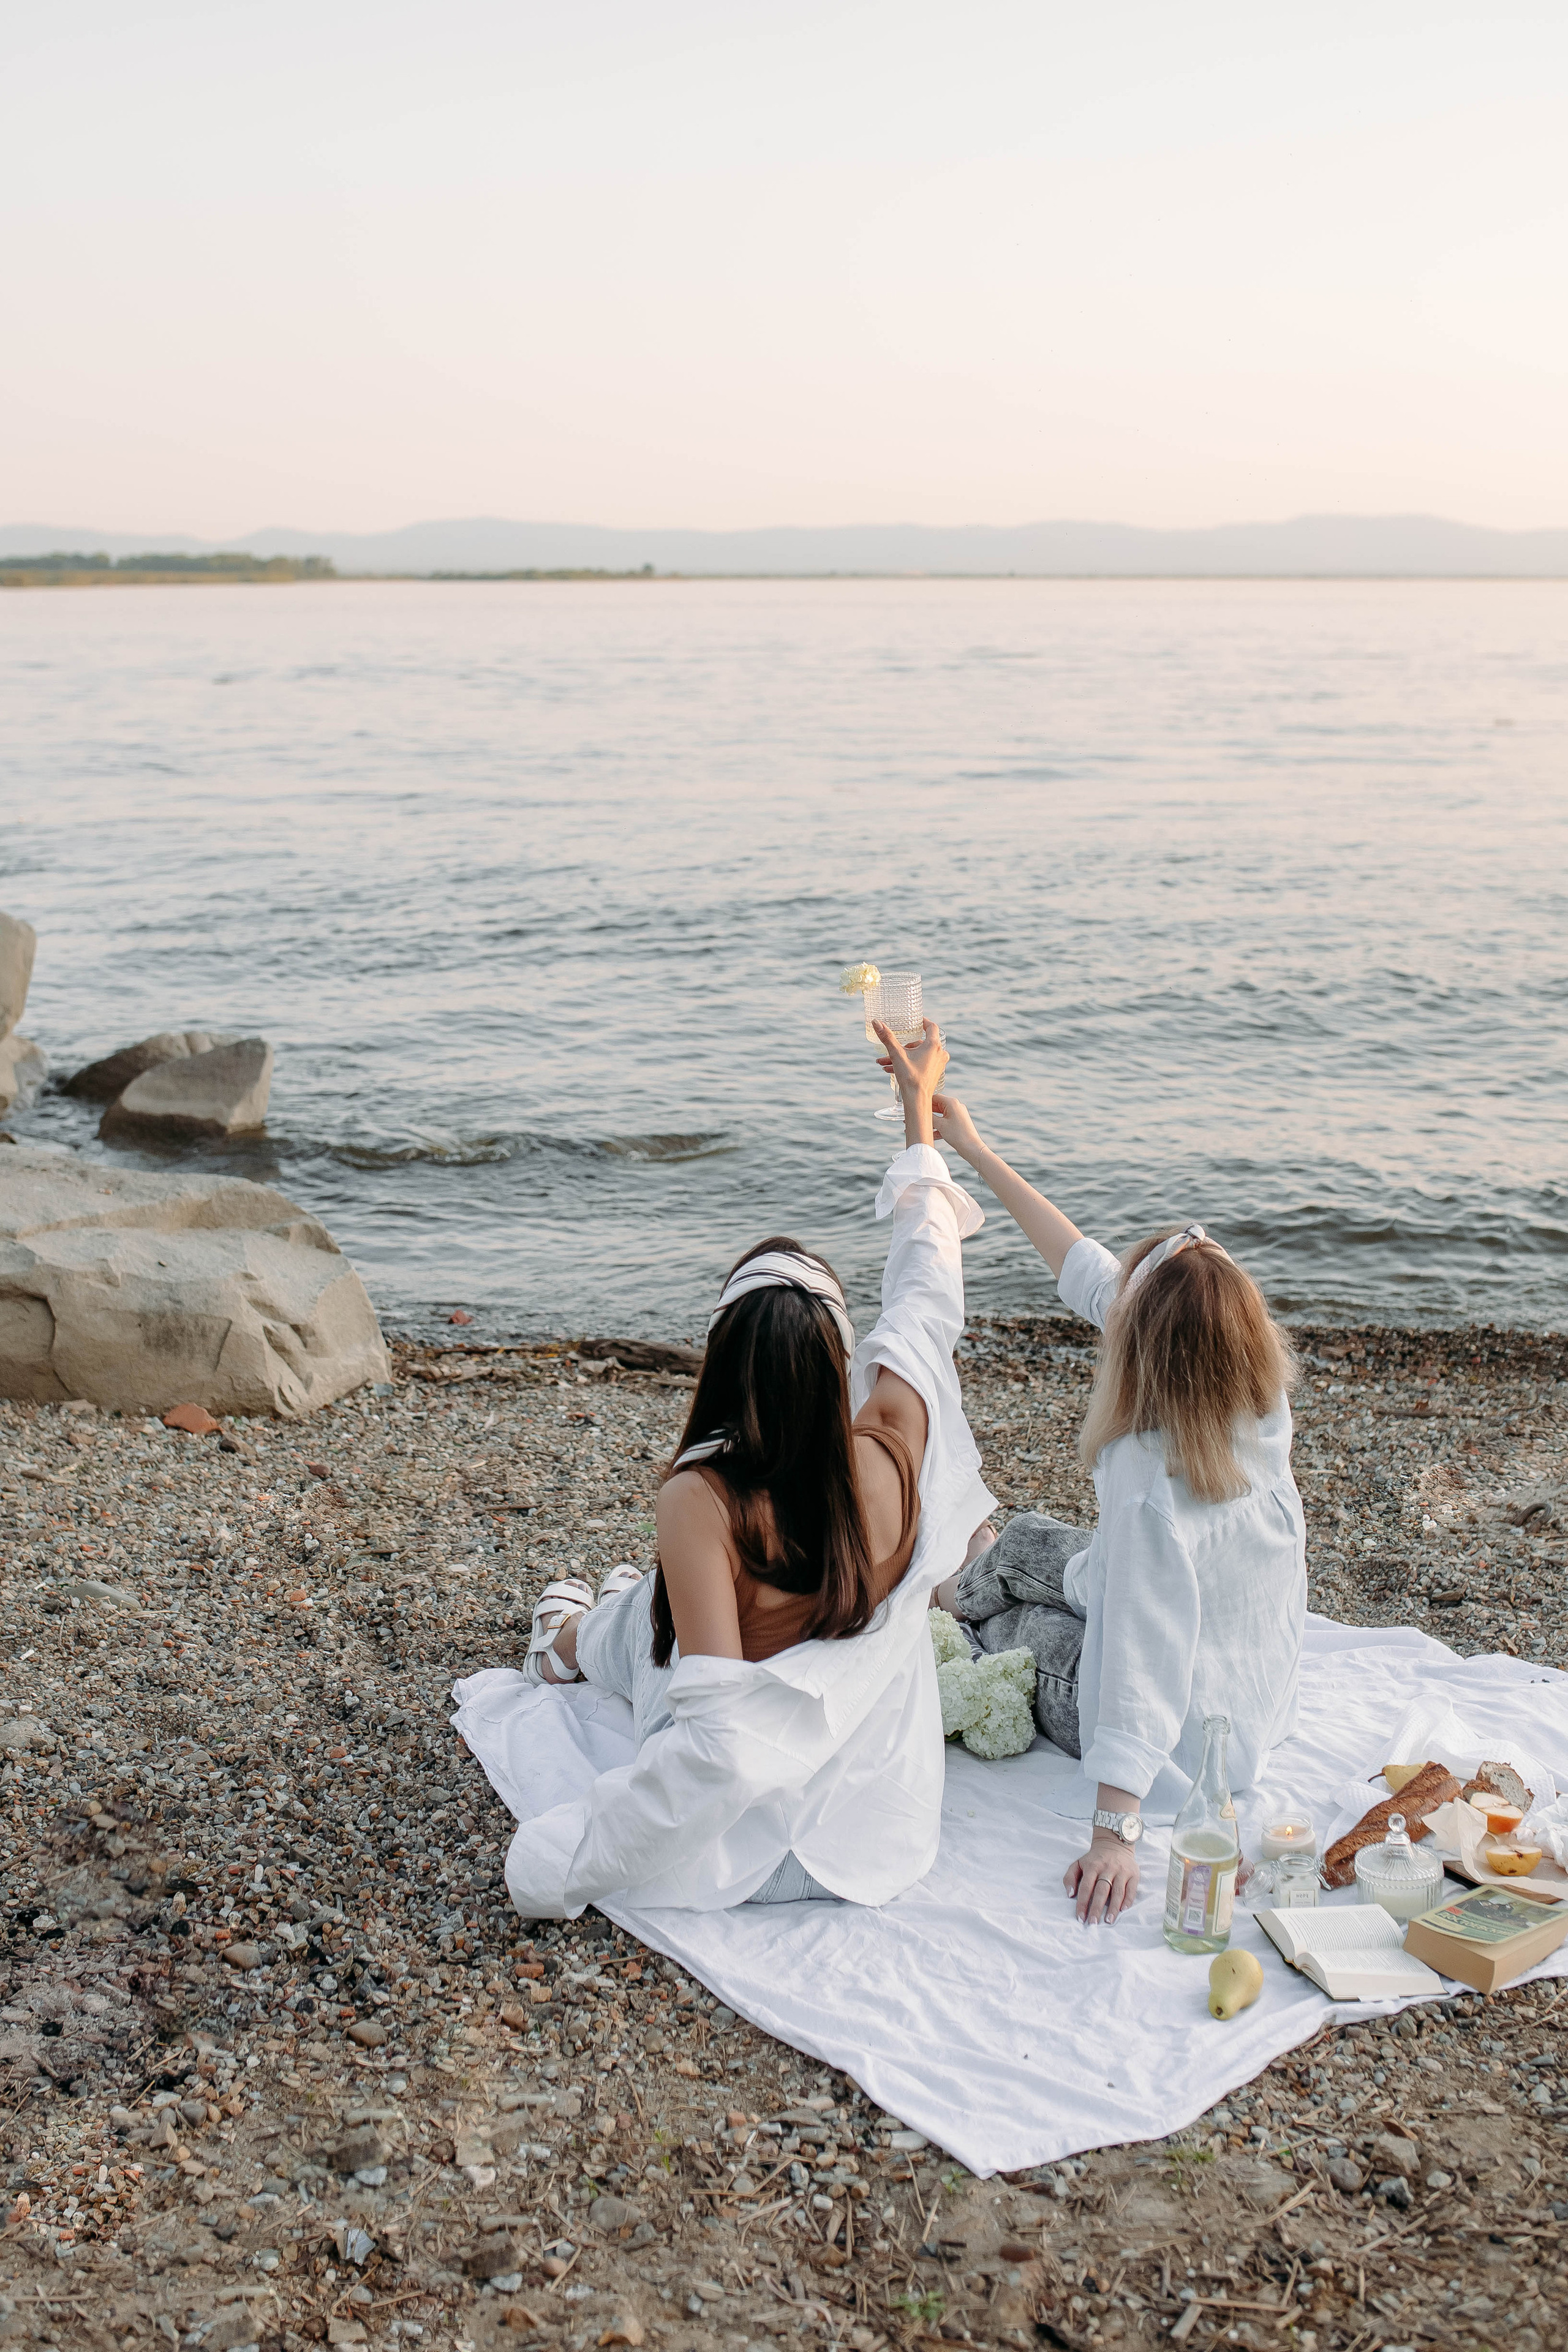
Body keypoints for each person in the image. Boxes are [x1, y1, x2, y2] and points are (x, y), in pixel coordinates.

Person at [501, 1019, 996, 1918]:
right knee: (675, 1601)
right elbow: (929, 1280)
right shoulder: (893, 1438)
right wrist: (918, 1116)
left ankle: (562, 1644)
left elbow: (718, 1755)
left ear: (723, 1364)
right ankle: (601, 1619)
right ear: (838, 1360)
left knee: (649, 1620)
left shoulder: (705, 1497)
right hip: (879, 1832)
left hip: (752, 1856)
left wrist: (555, 1866)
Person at [883, 1052, 1305, 1932]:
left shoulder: (1151, 1481)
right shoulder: (1255, 1403)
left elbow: (1144, 1659)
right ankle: (976, 1570)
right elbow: (1086, 1270)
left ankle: (955, 1592)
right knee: (1028, 1539)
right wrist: (973, 1149)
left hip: (1182, 1741)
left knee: (1012, 1630)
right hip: (1245, 1695)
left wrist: (1117, 1834)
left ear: (1145, 1349)